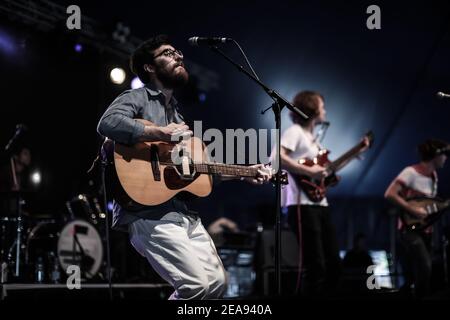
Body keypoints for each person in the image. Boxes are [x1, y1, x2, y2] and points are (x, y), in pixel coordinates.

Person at [97, 35, 271, 300]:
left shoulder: (178, 115)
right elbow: (107, 124)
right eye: (168, 53)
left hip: (181, 214)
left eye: (178, 52)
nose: (178, 56)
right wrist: (160, 133)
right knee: (196, 286)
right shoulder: (138, 97)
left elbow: (198, 172)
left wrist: (245, 173)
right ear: (150, 67)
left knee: (217, 284)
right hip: (147, 214)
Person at [278, 90, 369, 296]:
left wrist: (355, 153)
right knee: (316, 266)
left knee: (334, 265)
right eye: (322, 106)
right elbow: (277, 158)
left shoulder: (313, 140)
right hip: (301, 205)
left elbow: (326, 171)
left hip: (320, 205)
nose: (325, 110)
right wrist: (309, 171)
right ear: (311, 108)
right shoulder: (295, 132)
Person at [384, 139, 449, 298]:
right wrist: (411, 209)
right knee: (424, 267)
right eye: (444, 155)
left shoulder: (434, 176)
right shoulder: (410, 172)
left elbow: (429, 206)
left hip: (426, 229)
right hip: (409, 229)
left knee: (422, 273)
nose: (446, 158)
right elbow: (390, 194)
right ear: (436, 156)